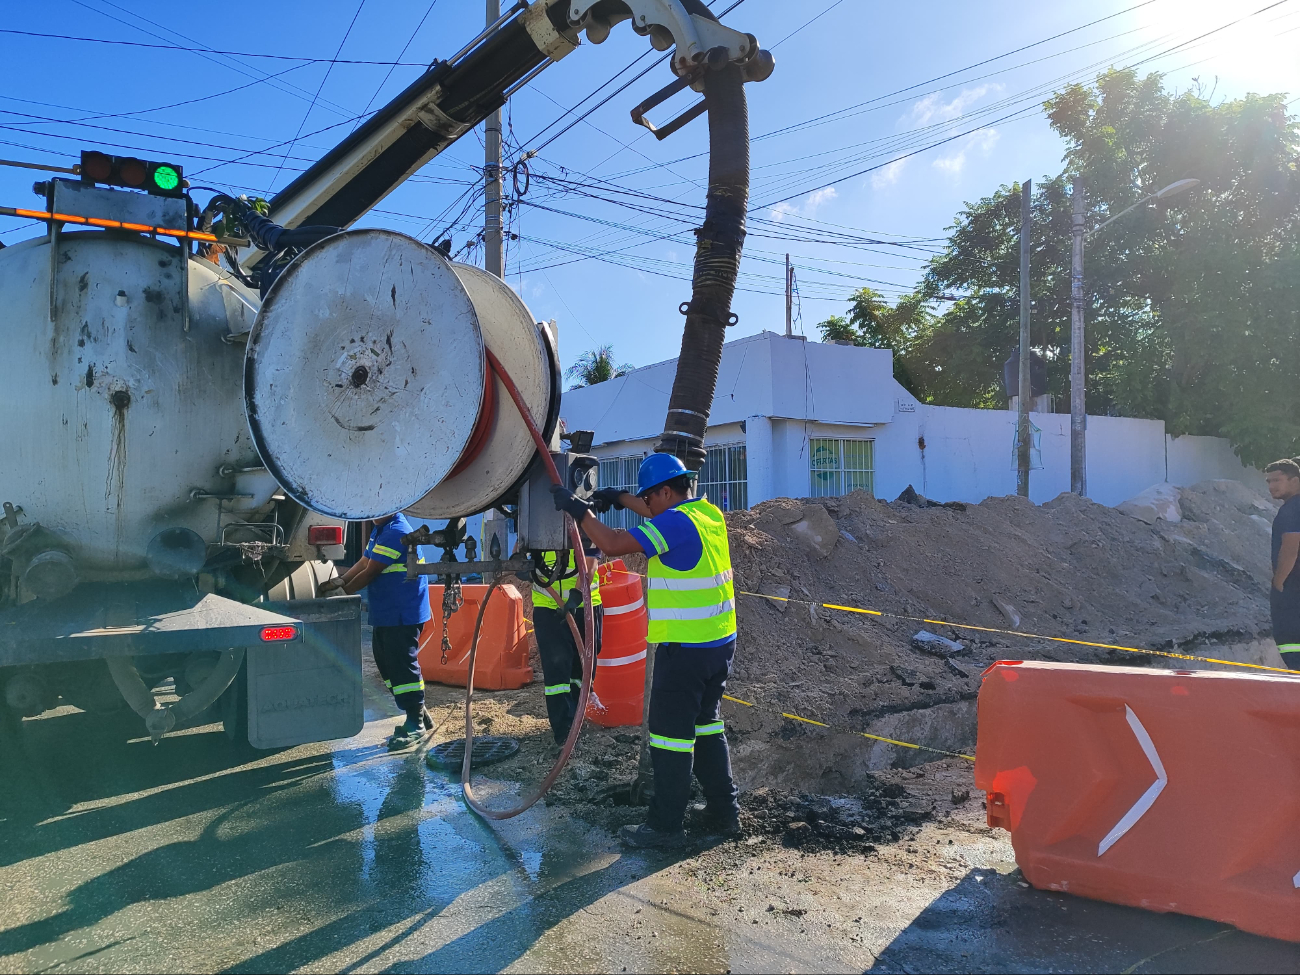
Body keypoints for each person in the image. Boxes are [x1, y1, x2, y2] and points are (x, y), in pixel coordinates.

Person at [552, 453, 740, 849]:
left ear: (666, 492)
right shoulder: (708, 515)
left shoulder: (673, 523)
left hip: (684, 652)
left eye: (649, 500)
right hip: (718, 645)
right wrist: (619, 497)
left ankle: (665, 826)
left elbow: (614, 543)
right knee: (707, 727)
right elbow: (655, 508)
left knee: (669, 738)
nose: (648, 509)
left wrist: (577, 509)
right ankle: (725, 812)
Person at [320, 512, 431, 749]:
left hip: (402, 612)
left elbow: (371, 572)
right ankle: (417, 710)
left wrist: (342, 594)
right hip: (388, 611)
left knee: (402, 664)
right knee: (385, 662)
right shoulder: (382, 528)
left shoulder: (396, 532)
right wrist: (340, 582)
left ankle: (416, 722)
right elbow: (363, 562)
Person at [531, 544, 602, 745]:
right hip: (548, 607)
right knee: (557, 668)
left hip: (585, 604)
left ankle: (577, 718)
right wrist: (521, 565)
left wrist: (578, 593)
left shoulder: (583, 516)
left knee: (584, 667)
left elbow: (590, 561)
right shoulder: (535, 517)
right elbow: (520, 547)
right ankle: (564, 732)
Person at [1265, 459, 1300, 669]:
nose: (1271, 486)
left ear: (1295, 481)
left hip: (1292, 590)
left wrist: (1278, 582)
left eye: (1277, 480)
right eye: (1269, 481)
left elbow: (1290, 547)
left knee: (1291, 646)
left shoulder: (1291, 510)